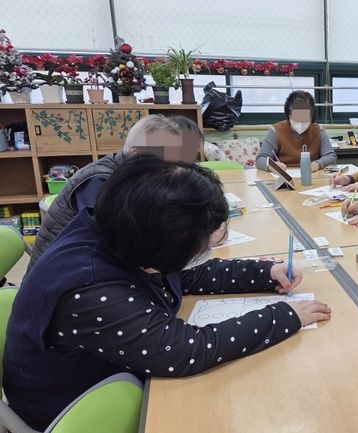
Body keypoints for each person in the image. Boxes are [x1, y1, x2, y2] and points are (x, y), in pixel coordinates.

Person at [4, 154, 332, 430]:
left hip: (112, 376)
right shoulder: (91, 289)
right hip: (75, 407)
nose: (206, 248)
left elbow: (185, 273)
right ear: (164, 244)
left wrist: (262, 272)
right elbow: (186, 350)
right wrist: (284, 316)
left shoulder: (122, 234)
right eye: (201, 241)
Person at [26, 114, 204, 272]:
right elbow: (118, 241)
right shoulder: (99, 182)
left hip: (90, 267)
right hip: (62, 276)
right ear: (136, 155)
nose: (170, 168)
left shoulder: (135, 173)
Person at [256, 90, 337, 172]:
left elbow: (331, 156)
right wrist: (273, 165)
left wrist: (318, 163)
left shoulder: (318, 130)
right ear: (288, 113)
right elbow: (260, 159)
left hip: (311, 175)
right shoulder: (276, 131)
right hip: (284, 176)